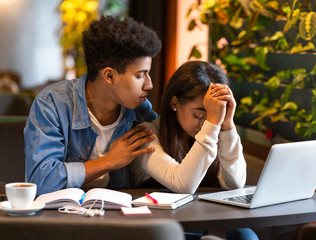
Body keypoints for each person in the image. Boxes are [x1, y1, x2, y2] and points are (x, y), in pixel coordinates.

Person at [24, 16, 161, 196]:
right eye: (140, 75)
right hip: (60, 217)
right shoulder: (52, 104)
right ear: (109, 76)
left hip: (119, 217)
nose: (149, 85)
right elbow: (41, 181)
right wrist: (109, 161)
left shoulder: (140, 110)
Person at [129, 61, 258, 240]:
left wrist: (227, 124)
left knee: (245, 235)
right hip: (160, 230)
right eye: (198, 115)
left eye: (212, 115)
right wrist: (213, 124)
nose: (205, 123)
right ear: (174, 103)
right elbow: (184, 185)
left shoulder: (213, 131)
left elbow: (235, 184)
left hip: (203, 222)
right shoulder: (146, 136)